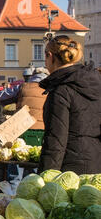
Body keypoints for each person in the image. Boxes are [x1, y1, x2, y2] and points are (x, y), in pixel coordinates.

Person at [38, 35, 101, 174]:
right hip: (96, 162)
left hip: (71, 168)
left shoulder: (61, 91)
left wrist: (45, 177)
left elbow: (55, 141)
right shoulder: (96, 83)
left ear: (50, 56)